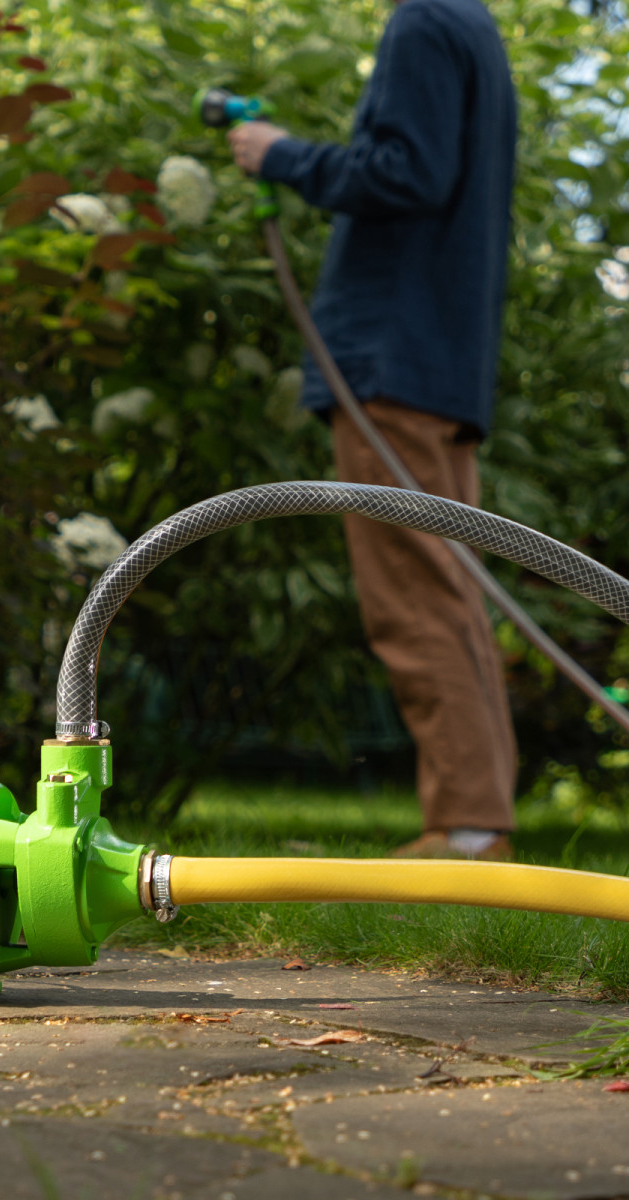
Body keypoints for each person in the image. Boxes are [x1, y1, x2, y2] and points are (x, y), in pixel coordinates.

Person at [228, 0, 519, 860]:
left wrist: (281, 155)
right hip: (439, 362)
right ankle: (479, 822)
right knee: (447, 592)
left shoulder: (423, 20)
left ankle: (466, 831)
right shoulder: (470, 24)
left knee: (413, 596)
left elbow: (405, 173)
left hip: (392, 360)